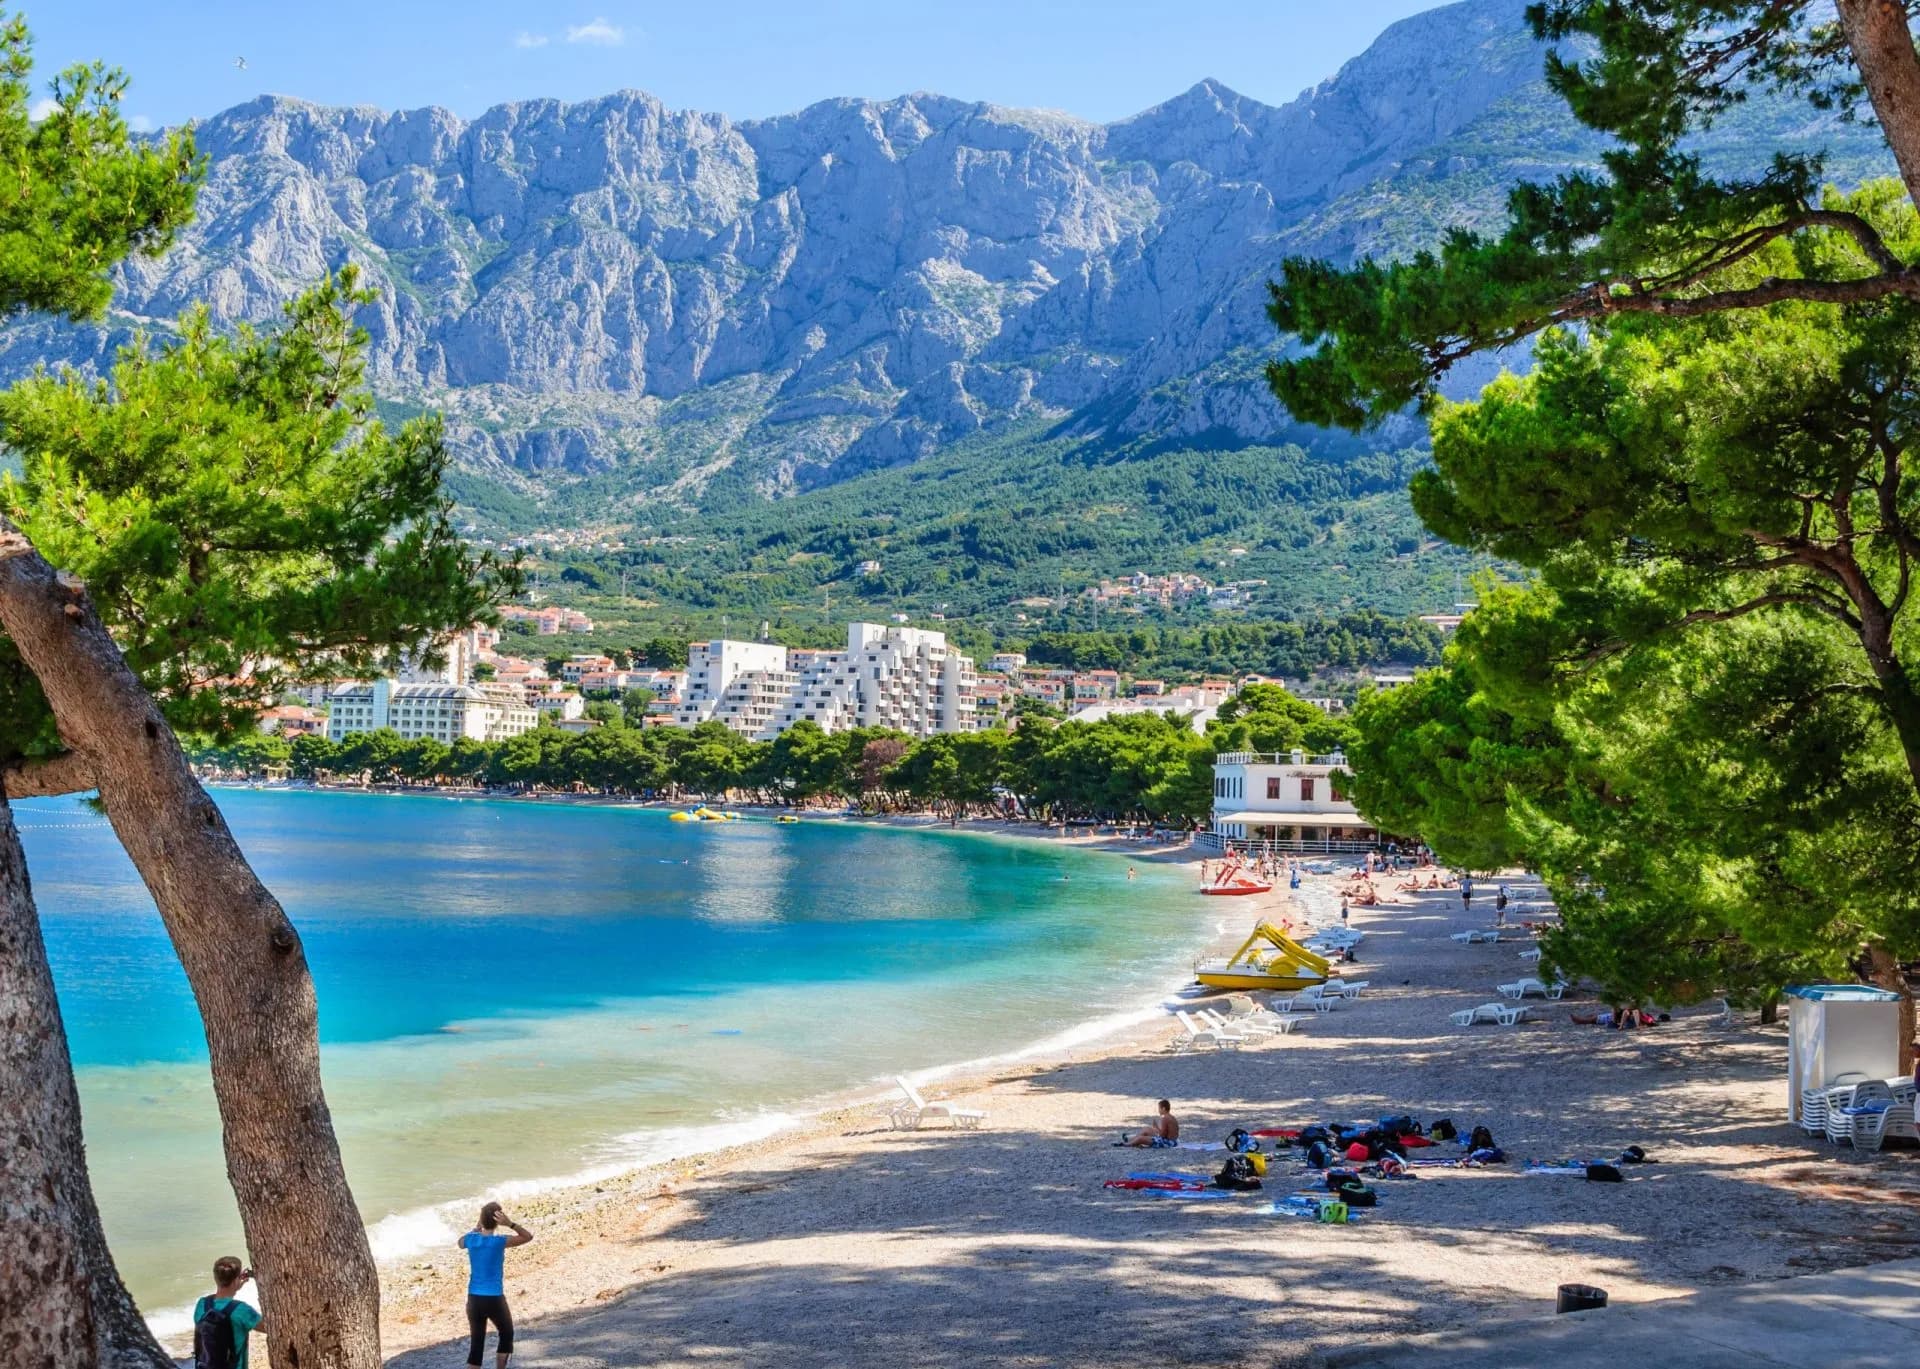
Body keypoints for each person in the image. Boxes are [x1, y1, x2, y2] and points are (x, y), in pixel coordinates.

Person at [459, 1201, 534, 1369]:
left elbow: (459, 1242)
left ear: (481, 1220)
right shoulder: (500, 1241)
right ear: (497, 1221)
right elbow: (528, 1236)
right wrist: (510, 1224)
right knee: (506, 1334)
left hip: (474, 1299)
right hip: (494, 1298)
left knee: (477, 1344)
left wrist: (475, 1229)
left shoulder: (471, 1240)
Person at [192, 1256, 263, 1369]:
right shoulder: (241, 1310)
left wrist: (233, 1287)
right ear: (237, 1280)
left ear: (215, 1278)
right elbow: (269, 1327)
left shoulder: (202, 1305)